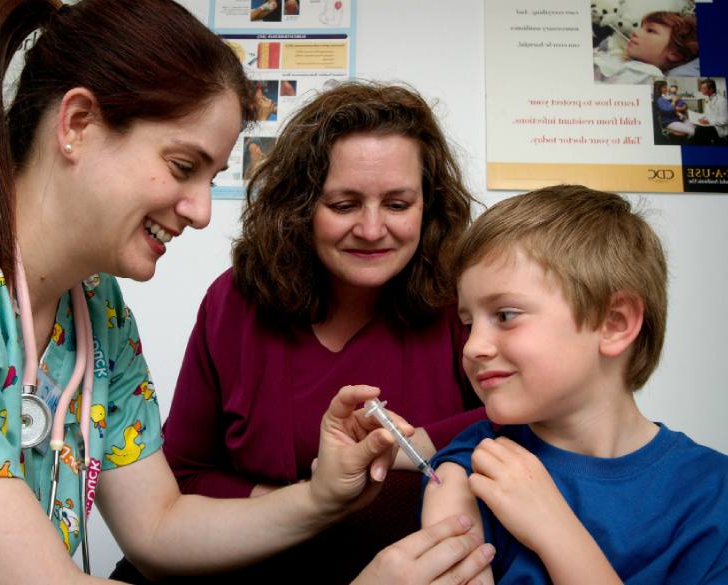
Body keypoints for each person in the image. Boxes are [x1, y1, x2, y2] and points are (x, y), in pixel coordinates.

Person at [0, 2, 494, 584]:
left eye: (211, 177)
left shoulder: (93, 307)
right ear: (76, 123)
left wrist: (321, 496)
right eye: (184, 167)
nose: (201, 211)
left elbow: (158, 526)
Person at [112, 81, 486, 584]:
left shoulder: (462, 303)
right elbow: (183, 476)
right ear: (301, 207)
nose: (373, 230)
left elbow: (534, 422)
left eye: (397, 204)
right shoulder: (236, 302)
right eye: (344, 204)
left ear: (429, 207)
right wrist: (309, 503)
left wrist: (415, 442)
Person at [421, 185, 728, 583]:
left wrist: (555, 530)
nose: (473, 346)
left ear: (614, 323)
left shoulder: (712, 493)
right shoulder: (475, 462)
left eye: (506, 314)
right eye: (467, 324)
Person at [594, 11, 698, 84]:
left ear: (674, 54)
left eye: (650, 30)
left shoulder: (646, 74)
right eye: (641, 27)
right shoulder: (631, 63)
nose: (634, 32)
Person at [695, 78, 728, 145]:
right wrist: (702, 118)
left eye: (703, 88)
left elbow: (725, 120)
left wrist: (709, 121)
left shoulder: (722, 101)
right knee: (697, 128)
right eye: (701, 88)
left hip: (719, 128)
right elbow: (707, 113)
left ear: (711, 89)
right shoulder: (708, 98)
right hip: (711, 124)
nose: (701, 90)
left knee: (699, 130)